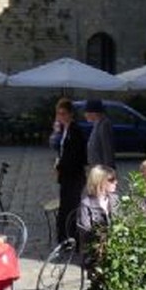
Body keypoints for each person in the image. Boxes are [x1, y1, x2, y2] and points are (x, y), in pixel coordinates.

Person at [52, 97, 87, 242]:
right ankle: (65, 237)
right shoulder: (64, 129)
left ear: (70, 114)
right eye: (59, 114)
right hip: (66, 176)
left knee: (70, 208)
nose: (61, 116)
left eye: (63, 113)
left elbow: (74, 156)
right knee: (65, 207)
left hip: (74, 176)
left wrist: (60, 166)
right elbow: (58, 149)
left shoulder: (75, 130)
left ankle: (71, 238)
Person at [76, 164, 119, 260]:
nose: (116, 182)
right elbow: (85, 230)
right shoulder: (86, 204)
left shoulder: (115, 199)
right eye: (111, 180)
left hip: (116, 248)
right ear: (100, 182)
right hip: (95, 251)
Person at [85, 98, 115, 169]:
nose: (85, 115)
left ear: (94, 113)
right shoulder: (97, 123)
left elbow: (107, 150)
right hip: (96, 169)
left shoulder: (104, 125)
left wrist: (108, 170)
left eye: (87, 112)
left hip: (102, 170)